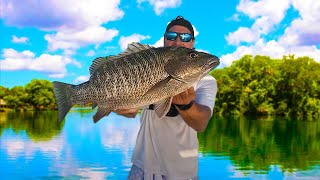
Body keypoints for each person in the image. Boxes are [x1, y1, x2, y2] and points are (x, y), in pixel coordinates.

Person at [116, 16, 218, 180]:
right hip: (141, 166)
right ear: (164, 40)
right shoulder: (148, 66)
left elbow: (201, 123)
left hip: (181, 172)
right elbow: (131, 111)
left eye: (185, 37)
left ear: (192, 42)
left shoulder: (206, 81)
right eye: (171, 36)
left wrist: (186, 106)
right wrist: (123, 108)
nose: (178, 41)